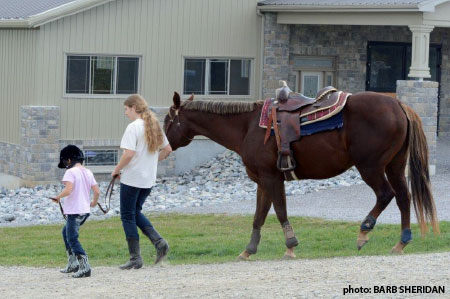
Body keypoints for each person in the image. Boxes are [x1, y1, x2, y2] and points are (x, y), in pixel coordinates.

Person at [112, 94, 172, 269]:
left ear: (134, 108)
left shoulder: (133, 127)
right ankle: (159, 243)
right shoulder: (154, 126)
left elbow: (128, 154)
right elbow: (167, 150)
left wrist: (117, 170)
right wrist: (151, 161)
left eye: (126, 109)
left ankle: (135, 258)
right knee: (135, 212)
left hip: (132, 178)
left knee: (127, 215)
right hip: (148, 179)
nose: (125, 113)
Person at [54, 145, 100, 278]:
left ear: (69, 160)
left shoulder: (70, 172)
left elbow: (68, 190)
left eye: (65, 162)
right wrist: (93, 203)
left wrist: (58, 197)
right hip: (84, 211)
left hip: (75, 211)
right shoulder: (88, 172)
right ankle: (73, 263)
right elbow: (97, 191)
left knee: (72, 238)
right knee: (66, 232)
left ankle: (84, 267)